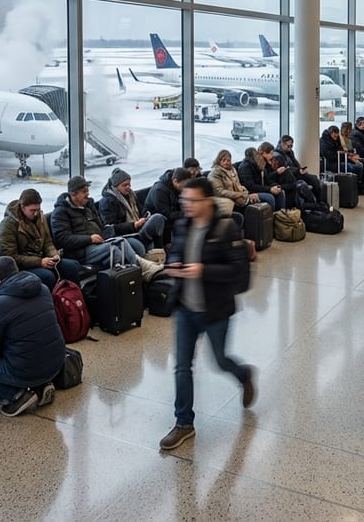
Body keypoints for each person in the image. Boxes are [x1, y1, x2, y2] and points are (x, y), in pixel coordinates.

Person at [158, 177, 255, 451]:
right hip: (186, 309)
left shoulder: (226, 228)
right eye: (184, 200)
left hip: (215, 309)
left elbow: (238, 272)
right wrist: (173, 264)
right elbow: (175, 253)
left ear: (207, 201)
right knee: (182, 367)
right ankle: (183, 423)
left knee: (220, 361)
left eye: (192, 201)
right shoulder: (182, 225)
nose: (186, 205)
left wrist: (203, 270)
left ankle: (243, 374)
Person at [0, 257, 63, 417]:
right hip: (56, 363)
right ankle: (40, 386)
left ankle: (18, 395)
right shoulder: (42, 288)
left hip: (27, 371)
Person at [0, 188, 81, 289]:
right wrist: (39, 262)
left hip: (42, 259)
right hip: (22, 267)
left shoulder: (39, 218)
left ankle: (76, 299)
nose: (36, 213)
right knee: (48, 276)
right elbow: (11, 256)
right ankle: (54, 303)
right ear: (22, 207)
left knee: (71, 267)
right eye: (32, 210)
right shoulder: (8, 225)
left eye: (38, 210)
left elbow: (47, 241)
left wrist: (53, 254)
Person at [51, 176, 140, 268]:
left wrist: (113, 232)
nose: (87, 194)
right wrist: (89, 239)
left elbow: (102, 226)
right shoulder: (60, 212)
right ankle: (131, 273)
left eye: (88, 191)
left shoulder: (88, 206)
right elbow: (62, 239)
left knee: (123, 242)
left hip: (99, 243)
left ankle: (136, 271)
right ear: (73, 194)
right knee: (114, 250)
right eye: (84, 192)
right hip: (80, 252)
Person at [99, 168, 169, 248]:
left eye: (129, 184)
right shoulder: (107, 202)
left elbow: (140, 211)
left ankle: (159, 252)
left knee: (158, 220)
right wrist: (134, 225)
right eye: (124, 185)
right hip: (124, 235)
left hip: (137, 228)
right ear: (116, 186)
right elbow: (110, 228)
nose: (128, 187)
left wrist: (145, 217)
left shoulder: (131, 196)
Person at [144, 166, 190, 247]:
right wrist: (186, 213)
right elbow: (166, 215)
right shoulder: (159, 191)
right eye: (184, 186)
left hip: (170, 220)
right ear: (175, 181)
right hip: (156, 222)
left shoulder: (176, 188)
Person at [272, 136, 322, 200]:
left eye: (291, 146)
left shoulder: (290, 152)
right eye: (288, 146)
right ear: (282, 144)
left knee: (314, 178)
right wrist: (298, 170)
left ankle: (318, 200)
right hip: (289, 177)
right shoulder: (277, 155)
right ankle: (316, 202)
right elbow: (286, 169)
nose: (290, 148)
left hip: (296, 173)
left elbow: (296, 163)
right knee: (310, 181)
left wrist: (301, 169)